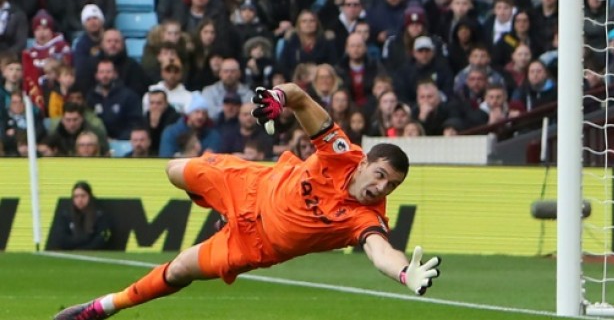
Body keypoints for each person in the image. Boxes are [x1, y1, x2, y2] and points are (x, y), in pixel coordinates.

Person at [54, 83, 442, 320]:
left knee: (177, 273)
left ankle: (102, 308)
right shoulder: (342, 152)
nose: (381, 188)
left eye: (390, 186)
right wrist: (277, 98)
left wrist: (405, 273)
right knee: (173, 169)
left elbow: (380, 253)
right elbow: (301, 98)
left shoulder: (365, 218)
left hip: (251, 245)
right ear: (366, 161)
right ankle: (219, 208)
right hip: (251, 186)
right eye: (380, 175)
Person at [47, 181, 112, 251]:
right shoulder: (66, 215)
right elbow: (60, 238)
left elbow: (102, 238)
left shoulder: (99, 215)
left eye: (83, 196)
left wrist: (85, 249)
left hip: (92, 253)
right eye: (76, 197)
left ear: (89, 197)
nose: (80, 200)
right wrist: (84, 240)